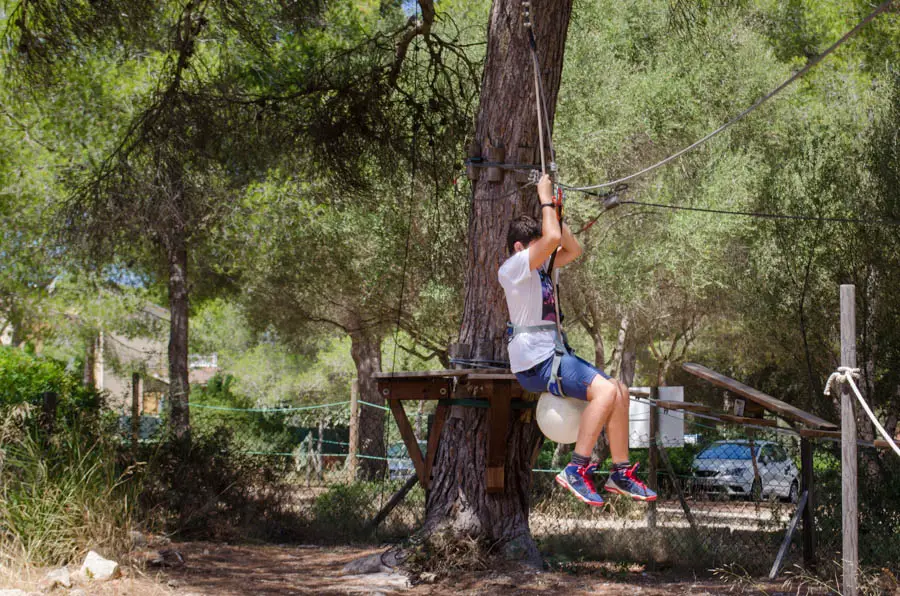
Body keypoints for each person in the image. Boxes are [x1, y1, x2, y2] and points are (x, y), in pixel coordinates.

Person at [497, 174, 656, 507]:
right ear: (519, 248)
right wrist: (543, 199)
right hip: (535, 361)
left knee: (619, 391)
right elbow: (552, 237)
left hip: (551, 355)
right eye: (537, 246)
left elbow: (571, 247)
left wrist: (557, 209)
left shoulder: (541, 270)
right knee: (606, 390)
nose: (545, 251)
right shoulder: (513, 268)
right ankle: (575, 469)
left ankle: (620, 472)